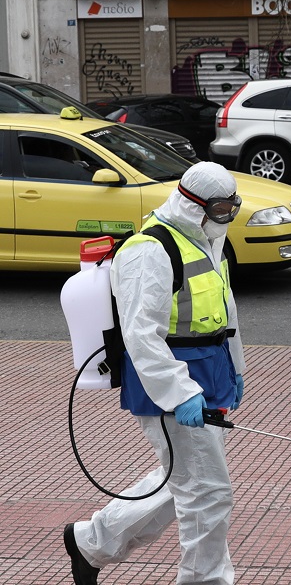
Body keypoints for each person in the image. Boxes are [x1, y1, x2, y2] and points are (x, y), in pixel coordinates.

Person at [64, 161, 246, 585]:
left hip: (209, 375)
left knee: (184, 480)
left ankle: (93, 541)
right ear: (191, 203)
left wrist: (236, 371)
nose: (227, 218)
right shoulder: (151, 251)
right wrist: (180, 392)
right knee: (208, 494)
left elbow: (226, 313)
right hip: (169, 384)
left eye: (232, 208)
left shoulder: (205, 239)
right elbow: (141, 335)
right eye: (220, 209)